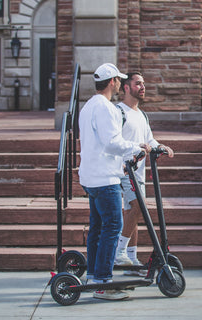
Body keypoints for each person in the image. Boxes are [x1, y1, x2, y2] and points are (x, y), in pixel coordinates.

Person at [78, 63, 149, 300]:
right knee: (112, 228)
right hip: (105, 178)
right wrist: (135, 146)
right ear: (112, 82)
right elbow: (112, 143)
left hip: (90, 177)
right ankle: (103, 284)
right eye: (118, 80)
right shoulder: (106, 108)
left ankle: (94, 277)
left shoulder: (88, 106)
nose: (119, 83)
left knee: (97, 228)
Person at [114, 72, 174, 275]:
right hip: (123, 170)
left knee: (135, 212)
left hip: (138, 172)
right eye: (138, 83)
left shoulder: (142, 114)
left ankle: (131, 260)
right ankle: (119, 251)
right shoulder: (118, 112)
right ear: (126, 88)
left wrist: (161, 146)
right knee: (138, 208)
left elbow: (149, 139)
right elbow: (113, 141)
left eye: (143, 84)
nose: (142, 87)